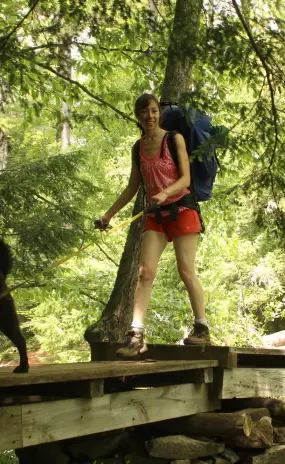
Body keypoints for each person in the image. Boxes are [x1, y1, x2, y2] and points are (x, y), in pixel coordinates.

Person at [99, 93, 210, 357]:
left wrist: (165, 192)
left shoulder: (174, 139)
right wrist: (108, 215)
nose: (150, 116)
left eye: (153, 111)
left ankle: (202, 328)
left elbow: (185, 179)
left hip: (182, 209)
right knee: (144, 273)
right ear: (138, 116)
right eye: (144, 112)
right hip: (156, 215)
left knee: (186, 270)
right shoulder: (137, 148)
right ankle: (136, 336)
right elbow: (132, 187)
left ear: (159, 113)